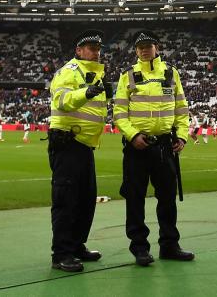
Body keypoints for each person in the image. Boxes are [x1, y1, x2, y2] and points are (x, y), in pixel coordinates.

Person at [114, 30, 194, 266]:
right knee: (135, 198)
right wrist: (133, 135)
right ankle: (140, 248)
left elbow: (181, 109)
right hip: (136, 146)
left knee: (167, 198)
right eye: (140, 47)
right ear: (136, 50)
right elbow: (119, 112)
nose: (144, 49)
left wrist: (181, 136)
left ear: (156, 47)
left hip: (164, 145)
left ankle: (169, 245)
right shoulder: (127, 75)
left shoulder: (171, 73)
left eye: (148, 45)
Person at [47, 29, 109, 273]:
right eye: (90, 48)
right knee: (66, 199)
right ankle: (61, 253)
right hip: (67, 142)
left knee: (85, 199)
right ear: (78, 50)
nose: (95, 52)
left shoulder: (92, 74)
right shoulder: (68, 72)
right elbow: (61, 101)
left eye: (97, 48)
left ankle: (75, 245)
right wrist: (88, 92)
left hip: (84, 144)